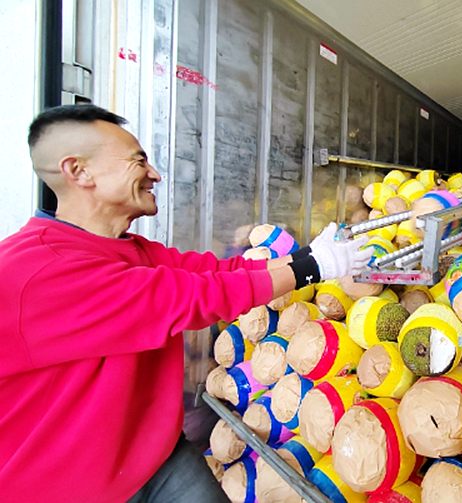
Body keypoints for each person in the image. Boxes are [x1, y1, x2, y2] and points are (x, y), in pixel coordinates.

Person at [0, 104, 373, 503]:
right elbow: (191, 297)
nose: (155, 174)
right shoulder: (33, 272)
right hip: (65, 489)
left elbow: (218, 272)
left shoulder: (129, 249)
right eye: (138, 161)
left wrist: (307, 257)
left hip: (151, 457)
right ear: (79, 171)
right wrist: (312, 270)